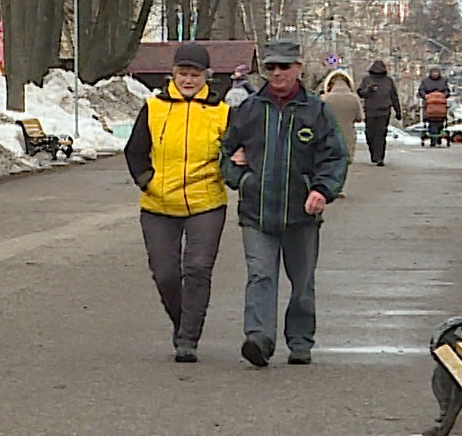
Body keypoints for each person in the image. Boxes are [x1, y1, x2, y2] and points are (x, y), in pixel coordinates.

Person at [221, 38, 346, 367]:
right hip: (256, 212)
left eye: (284, 67)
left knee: (302, 283)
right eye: (271, 67)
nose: (277, 73)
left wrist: (321, 190)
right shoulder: (249, 110)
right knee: (260, 275)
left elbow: (335, 156)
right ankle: (259, 338)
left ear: (298, 69)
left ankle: (300, 341)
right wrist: (241, 179)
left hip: (301, 214)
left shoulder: (316, 111)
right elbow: (226, 151)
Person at [123, 42, 231, 363]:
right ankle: (182, 322)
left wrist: (234, 169)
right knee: (165, 274)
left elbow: (235, 153)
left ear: (206, 77)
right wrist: (147, 181)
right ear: (173, 74)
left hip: (206, 204)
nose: (188, 80)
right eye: (183, 73)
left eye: (195, 75)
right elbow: (135, 151)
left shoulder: (222, 112)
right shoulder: (153, 108)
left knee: (197, 269)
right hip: (158, 205)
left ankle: (188, 338)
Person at [319, 69, 362, 194]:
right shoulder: (354, 99)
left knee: (329, 160)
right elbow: (359, 118)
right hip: (348, 134)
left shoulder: (325, 99)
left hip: (328, 133)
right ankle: (340, 187)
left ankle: (329, 185)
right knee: (344, 160)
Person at [356, 60, 401, 166]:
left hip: (384, 111)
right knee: (370, 134)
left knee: (380, 135)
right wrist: (369, 90)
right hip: (370, 111)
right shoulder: (367, 79)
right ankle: (374, 154)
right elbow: (361, 93)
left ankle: (379, 157)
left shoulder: (388, 81)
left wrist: (398, 111)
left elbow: (394, 96)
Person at [418, 68, 452, 147]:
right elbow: (421, 90)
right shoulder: (425, 81)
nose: (435, 74)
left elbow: (447, 91)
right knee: (431, 121)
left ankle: (439, 137)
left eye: (436, 72)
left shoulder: (443, 81)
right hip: (429, 105)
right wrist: (425, 96)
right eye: (434, 72)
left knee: (440, 121)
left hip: (440, 105)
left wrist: (443, 96)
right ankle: (433, 138)